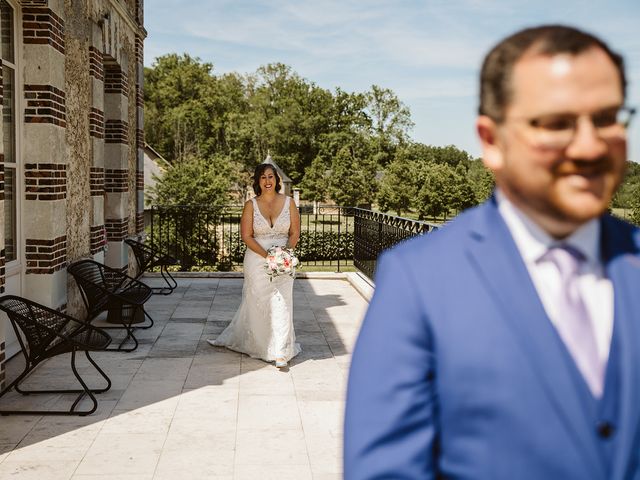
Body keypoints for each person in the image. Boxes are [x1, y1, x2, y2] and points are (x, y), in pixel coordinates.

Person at [344, 25, 640, 479]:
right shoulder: (418, 279)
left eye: (606, 117)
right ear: (491, 140)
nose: (590, 146)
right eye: (557, 122)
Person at [208, 163, 301, 368]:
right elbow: (246, 236)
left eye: (271, 177)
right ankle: (262, 345)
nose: (268, 181)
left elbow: (294, 232)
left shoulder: (289, 203)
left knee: (283, 302)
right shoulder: (251, 205)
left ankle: (280, 351)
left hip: (283, 259)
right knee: (258, 302)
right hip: (257, 259)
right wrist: (268, 255)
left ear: (277, 180)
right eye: (263, 177)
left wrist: (283, 253)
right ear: (258, 182)